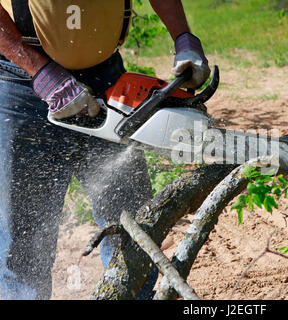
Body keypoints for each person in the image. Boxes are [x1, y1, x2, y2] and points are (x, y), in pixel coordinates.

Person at [0, 0, 210, 300]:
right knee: (23, 245)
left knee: (130, 224)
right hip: (24, 84)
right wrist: (38, 69)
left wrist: (184, 38)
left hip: (108, 77)